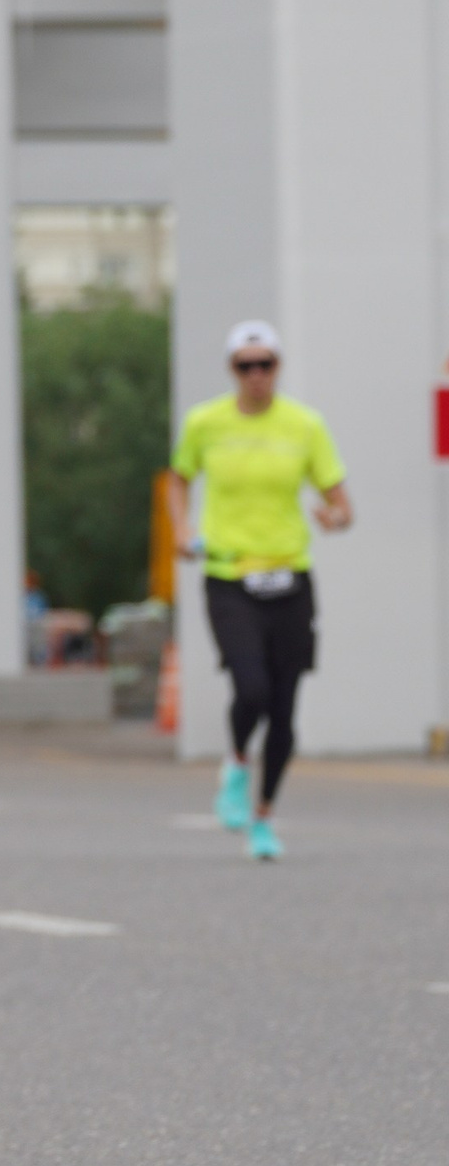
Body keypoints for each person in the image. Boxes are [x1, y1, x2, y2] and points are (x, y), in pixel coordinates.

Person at [168, 321, 351, 862]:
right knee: (252, 689)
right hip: (229, 576)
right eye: (245, 365)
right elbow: (178, 478)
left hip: (289, 576)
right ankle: (235, 764)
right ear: (232, 370)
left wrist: (334, 517)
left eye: (265, 364)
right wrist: (181, 528)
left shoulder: (304, 425)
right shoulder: (205, 422)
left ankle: (264, 816)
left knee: (284, 708)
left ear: (278, 367)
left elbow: (341, 502)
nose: (256, 375)